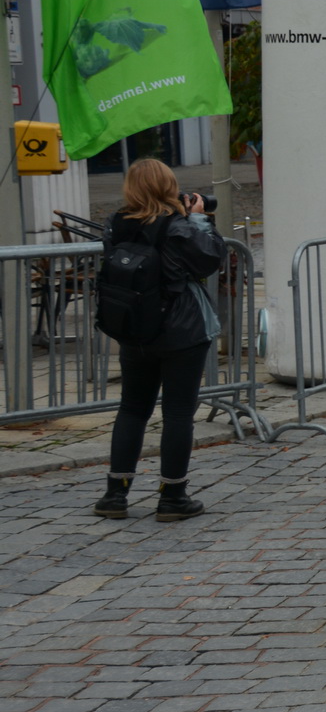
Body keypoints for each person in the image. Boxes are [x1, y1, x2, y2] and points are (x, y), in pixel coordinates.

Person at [93, 160, 227, 521]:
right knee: (178, 413)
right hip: (181, 331)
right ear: (169, 186)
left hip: (135, 328)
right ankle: (172, 497)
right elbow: (211, 259)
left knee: (132, 409)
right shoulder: (177, 226)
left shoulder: (116, 223)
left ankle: (114, 494)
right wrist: (198, 217)